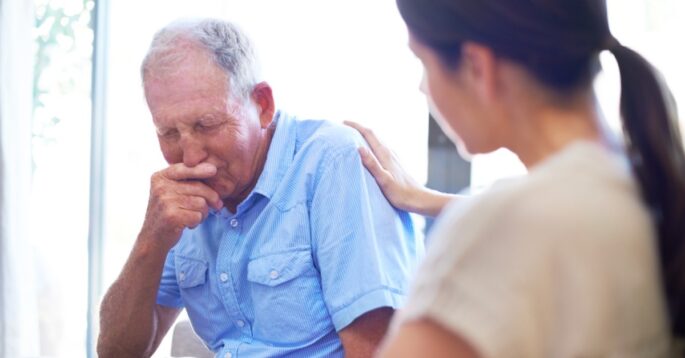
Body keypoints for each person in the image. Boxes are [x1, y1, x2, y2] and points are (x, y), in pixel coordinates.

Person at [348, 0, 685, 357]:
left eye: (423, 63)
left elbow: (519, 226)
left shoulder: (500, 228)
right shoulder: (646, 183)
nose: (422, 87)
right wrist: (424, 198)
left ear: (478, 67)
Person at [96, 18, 422, 358]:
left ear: (262, 105)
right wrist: (152, 239)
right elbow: (115, 353)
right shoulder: (184, 198)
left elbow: (378, 352)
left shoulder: (333, 162)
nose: (190, 156)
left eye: (206, 125)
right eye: (169, 133)